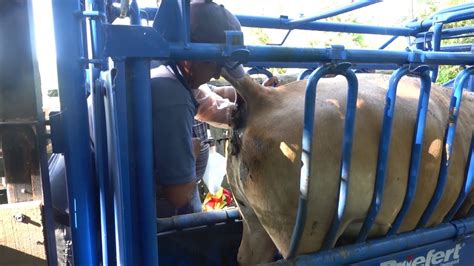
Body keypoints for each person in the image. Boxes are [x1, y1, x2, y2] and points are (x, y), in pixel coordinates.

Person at [152, 0, 244, 216]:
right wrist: (192, 154)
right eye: (215, 64)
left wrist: (254, 94)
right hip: (147, 227)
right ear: (189, 58)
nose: (217, 74)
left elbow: (210, 98)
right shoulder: (173, 94)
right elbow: (179, 195)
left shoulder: (163, 72)